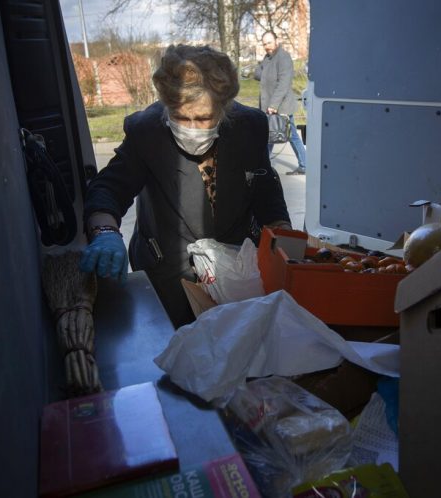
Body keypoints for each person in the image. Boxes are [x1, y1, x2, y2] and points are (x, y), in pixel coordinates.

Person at [80, 44, 292, 328]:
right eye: (180, 117)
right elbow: (109, 188)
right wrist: (105, 232)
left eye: (204, 118)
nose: (192, 127)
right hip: (169, 272)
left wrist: (286, 246)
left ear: (224, 107)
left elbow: (267, 192)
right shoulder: (147, 132)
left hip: (235, 272)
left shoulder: (249, 127)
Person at [254, 31, 307, 175]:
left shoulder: (283, 57)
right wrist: (262, 63)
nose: (266, 46)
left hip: (280, 106)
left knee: (289, 136)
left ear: (276, 41)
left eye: (269, 43)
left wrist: (274, 105)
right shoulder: (268, 58)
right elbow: (257, 74)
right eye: (264, 44)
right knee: (270, 135)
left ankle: (304, 165)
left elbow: (284, 83)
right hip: (269, 106)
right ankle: (264, 163)